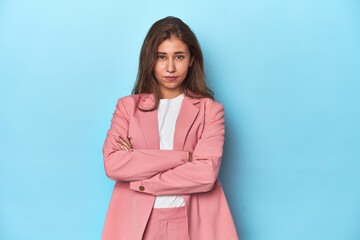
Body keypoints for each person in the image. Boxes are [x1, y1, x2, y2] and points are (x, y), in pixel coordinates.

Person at [101, 16, 239, 240]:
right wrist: (185, 158)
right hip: (135, 223)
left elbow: (205, 174)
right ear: (150, 60)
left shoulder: (210, 111)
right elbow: (113, 164)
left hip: (193, 223)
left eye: (179, 56)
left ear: (192, 59)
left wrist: (140, 170)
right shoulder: (127, 107)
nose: (171, 67)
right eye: (161, 57)